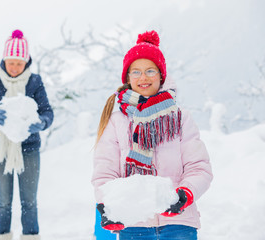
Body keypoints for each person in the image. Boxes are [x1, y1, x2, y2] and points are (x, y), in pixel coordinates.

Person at [91, 30, 213, 240]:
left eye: (150, 70)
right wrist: (108, 204)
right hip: (134, 225)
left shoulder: (180, 117)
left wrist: (183, 195)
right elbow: (105, 173)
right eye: (136, 72)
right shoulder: (116, 121)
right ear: (128, 77)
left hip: (178, 225)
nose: (143, 77)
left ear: (161, 75)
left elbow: (199, 168)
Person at [0, 29, 53, 240]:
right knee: (3, 202)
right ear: (4, 59)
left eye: (19, 63)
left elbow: (47, 112)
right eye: (11, 63)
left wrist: (42, 122)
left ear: (26, 62)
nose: (15, 68)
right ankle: (2, 236)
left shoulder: (34, 82)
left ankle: (30, 236)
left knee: (29, 201)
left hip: (28, 149)